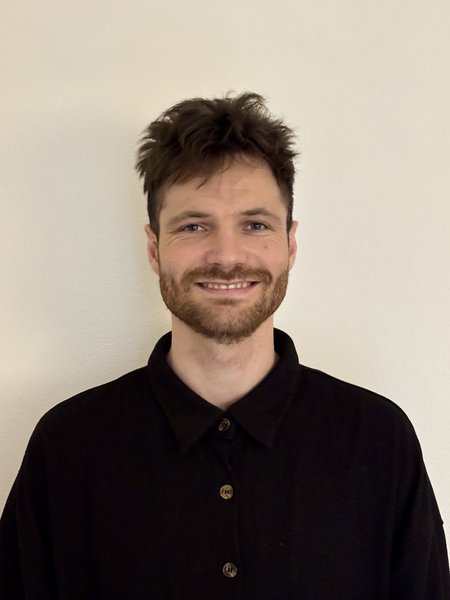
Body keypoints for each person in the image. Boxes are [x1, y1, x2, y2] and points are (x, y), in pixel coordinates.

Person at [0, 93, 448, 599]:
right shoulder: (67, 446)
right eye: (194, 226)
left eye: (255, 225)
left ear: (290, 244)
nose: (227, 256)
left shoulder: (378, 441)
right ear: (154, 249)